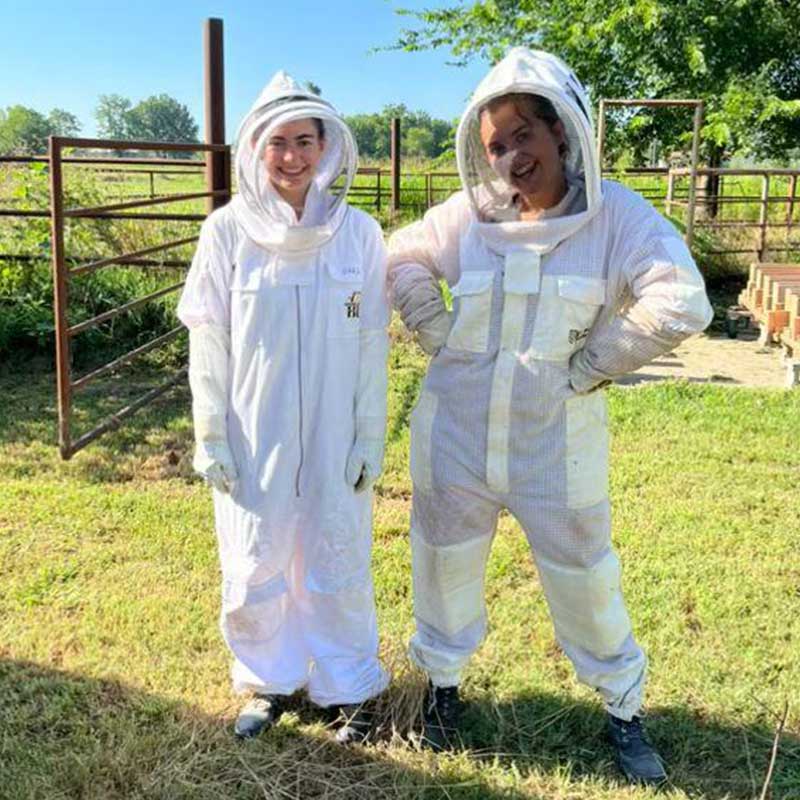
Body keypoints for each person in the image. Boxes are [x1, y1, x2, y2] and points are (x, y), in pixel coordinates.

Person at [388, 48, 713, 784]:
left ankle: (623, 712)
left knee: (584, 575)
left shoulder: (616, 216)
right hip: (457, 434)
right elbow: (396, 259)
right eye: (495, 144)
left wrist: (594, 361)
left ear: (562, 133)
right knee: (442, 564)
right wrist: (428, 324)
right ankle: (442, 692)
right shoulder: (466, 220)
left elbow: (682, 299)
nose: (508, 156)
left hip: (555, 441)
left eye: (522, 136)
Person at [177, 71, 390, 744]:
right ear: (256, 150)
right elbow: (209, 340)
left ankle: (347, 686)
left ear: (326, 147)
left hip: (333, 431)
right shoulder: (226, 233)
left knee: (338, 554)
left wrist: (366, 435)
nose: (292, 157)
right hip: (253, 429)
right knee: (254, 560)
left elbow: (371, 343)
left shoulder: (358, 235)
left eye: (304, 141)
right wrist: (211, 433)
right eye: (278, 143)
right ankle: (267, 682)